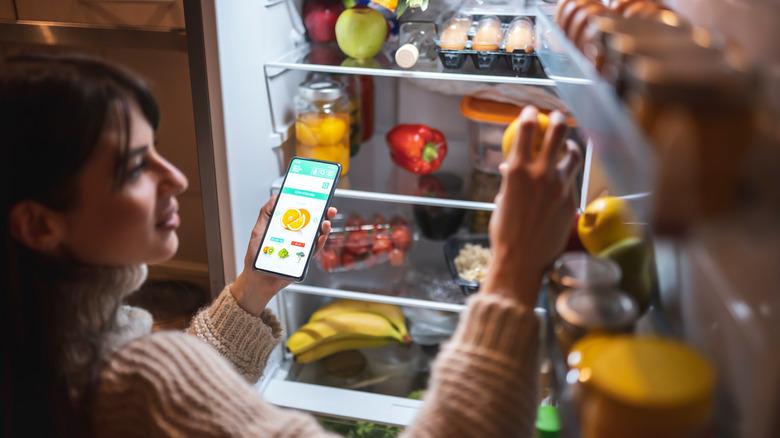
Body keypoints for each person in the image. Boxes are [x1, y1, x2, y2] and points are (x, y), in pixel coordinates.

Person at [1, 53, 581, 437]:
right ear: (39, 225)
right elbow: (161, 389)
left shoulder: (46, 348)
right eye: (133, 167)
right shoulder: (131, 378)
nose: (175, 176)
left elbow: (179, 393)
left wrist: (253, 288)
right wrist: (511, 273)